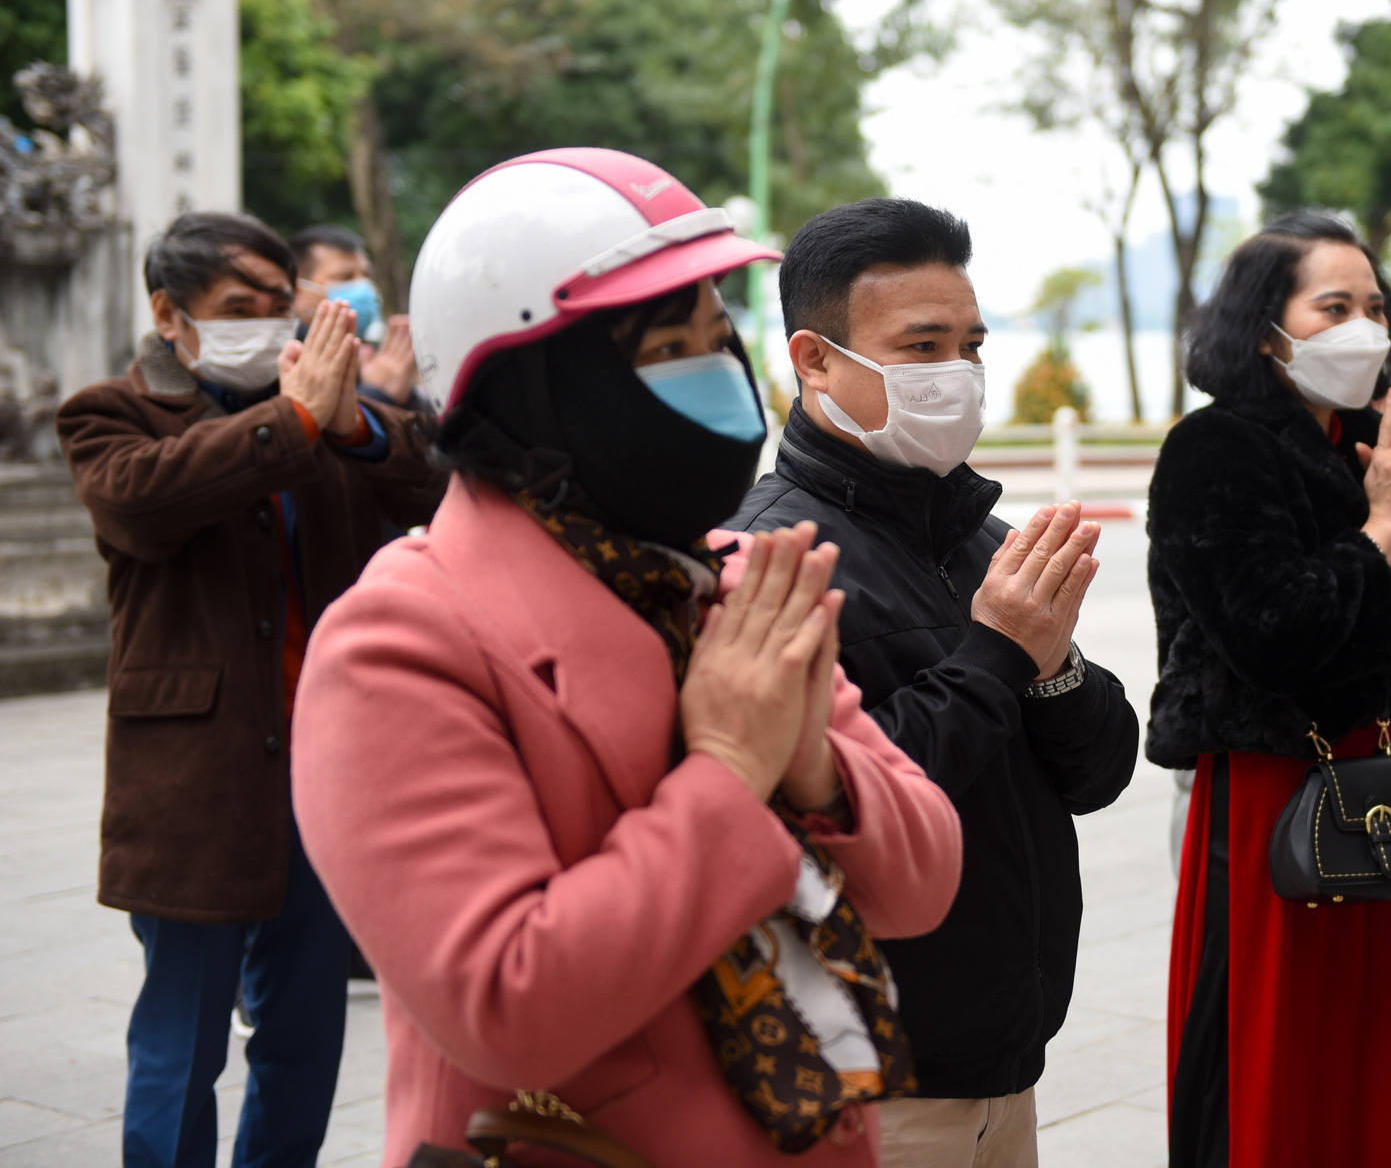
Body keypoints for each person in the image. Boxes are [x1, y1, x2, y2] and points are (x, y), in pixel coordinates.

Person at [290, 149, 963, 1166]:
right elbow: (505, 1005)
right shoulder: (400, 639)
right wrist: (731, 770)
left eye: (716, 335)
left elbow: (921, 882)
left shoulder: (731, 577)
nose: (721, 374)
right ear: (533, 387)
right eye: (666, 347)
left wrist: (812, 765)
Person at [731, 197, 1140, 1167]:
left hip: (1007, 1054)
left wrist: (1050, 666)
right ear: (814, 359)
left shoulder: (979, 540)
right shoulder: (770, 557)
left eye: (969, 344)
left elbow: (1097, 773)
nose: (954, 374)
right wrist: (998, 653)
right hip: (874, 1082)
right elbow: (848, 804)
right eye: (920, 347)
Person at [55, 212, 445, 1168]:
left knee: (307, 1032)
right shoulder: (111, 412)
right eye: (239, 308)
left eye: (280, 305)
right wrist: (296, 420)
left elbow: (435, 479)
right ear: (169, 313)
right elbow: (144, 502)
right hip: (196, 781)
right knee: (179, 1041)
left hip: (331, 777)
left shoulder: (329, 412)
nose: (267, 325)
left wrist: (348, 425)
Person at [1148, 212, 1391, 1168]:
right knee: (1267, 1061)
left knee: (1361, 1056)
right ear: (1268, 329)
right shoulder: (1214, 450)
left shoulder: (1368, 442)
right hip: (1268, 793)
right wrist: (1383, 526)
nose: (1366, 329)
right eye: (1334, 306)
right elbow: (1275, 637)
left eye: (1375, 307)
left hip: (1375, 788)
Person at [291, 224, 424, 411]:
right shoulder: (286, 360)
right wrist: (377, 394)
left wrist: (405, 396)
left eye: (366, 275)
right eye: (345, 277)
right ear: (300, 293)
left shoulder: (370, 356)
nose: (363, 286)